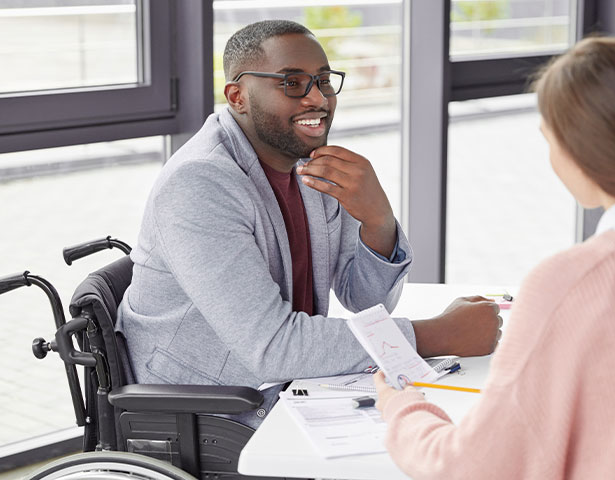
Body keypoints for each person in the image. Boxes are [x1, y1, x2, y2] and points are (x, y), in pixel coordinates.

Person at [117, 20, 501, 427]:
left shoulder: (308, 166)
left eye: (323, 81)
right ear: (238, 96)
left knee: (453, 424)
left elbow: (367, 302)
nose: (317, 98)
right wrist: (438, 335)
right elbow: (273, 347)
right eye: (292, 83)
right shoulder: (200, 184)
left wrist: (377, 219)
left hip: (290, 381)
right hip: (213, 406)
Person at [374, 36, 615, 479]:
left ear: (577, 150)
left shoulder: (571, 282)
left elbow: (467, 466)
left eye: (548, 139)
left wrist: (402, 407)